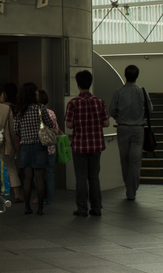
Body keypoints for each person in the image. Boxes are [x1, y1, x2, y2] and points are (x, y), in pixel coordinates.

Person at [64, 70, 109, 217]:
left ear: (77, 84)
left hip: (80, 144)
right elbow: (106, 122)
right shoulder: (99, 102)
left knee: (81, 178)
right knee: (94, 177)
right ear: (90, 83)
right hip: (96, 145)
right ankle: (96, 207)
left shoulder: (73, 103)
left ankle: (82, 208)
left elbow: (69, 125)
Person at [108, 64, 151, 201]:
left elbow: (111, 110)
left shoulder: (119, 92)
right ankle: (132, 190)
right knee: (135, 161)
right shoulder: (142, 92)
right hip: (138, 129)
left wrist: (119, 118)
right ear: (137, 76)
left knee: (124, 159)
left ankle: (128, 187)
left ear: (125, 75)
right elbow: (150, 109)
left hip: (122, 128)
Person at [13, 82, 55, 215]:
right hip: (39, 145)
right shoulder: (40, 108)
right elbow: (50, 123)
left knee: (27, 178)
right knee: (40, 177)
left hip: (25, 146)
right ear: (34, 93)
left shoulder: (19, 110)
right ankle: (41, 208)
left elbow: (16, 129)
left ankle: (27, 207)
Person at [36, 90, 58, 205]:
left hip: (39, 147)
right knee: (50, 173)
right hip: (50, 148)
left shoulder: (34, 112)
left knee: (38, 174)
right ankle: (49, 199)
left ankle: (39, 198)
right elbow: (56, 130)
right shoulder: (52, 113)